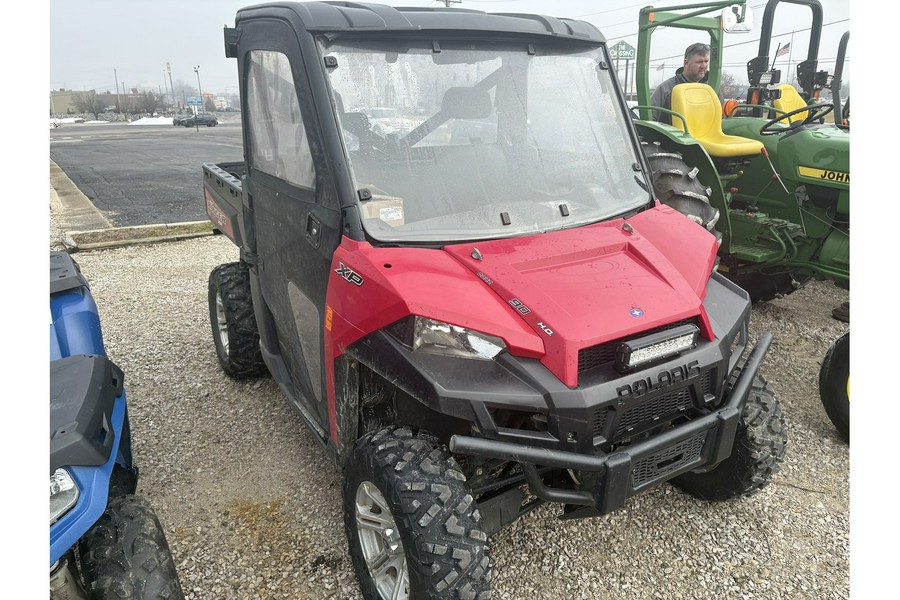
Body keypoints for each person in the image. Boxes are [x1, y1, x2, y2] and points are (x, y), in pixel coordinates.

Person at [651, 42, 710, 125]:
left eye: (706, 61)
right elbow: (651, 121)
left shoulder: (712, 89)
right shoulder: (666, 90)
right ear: (686, 63)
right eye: (699, 62)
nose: (704, 66)